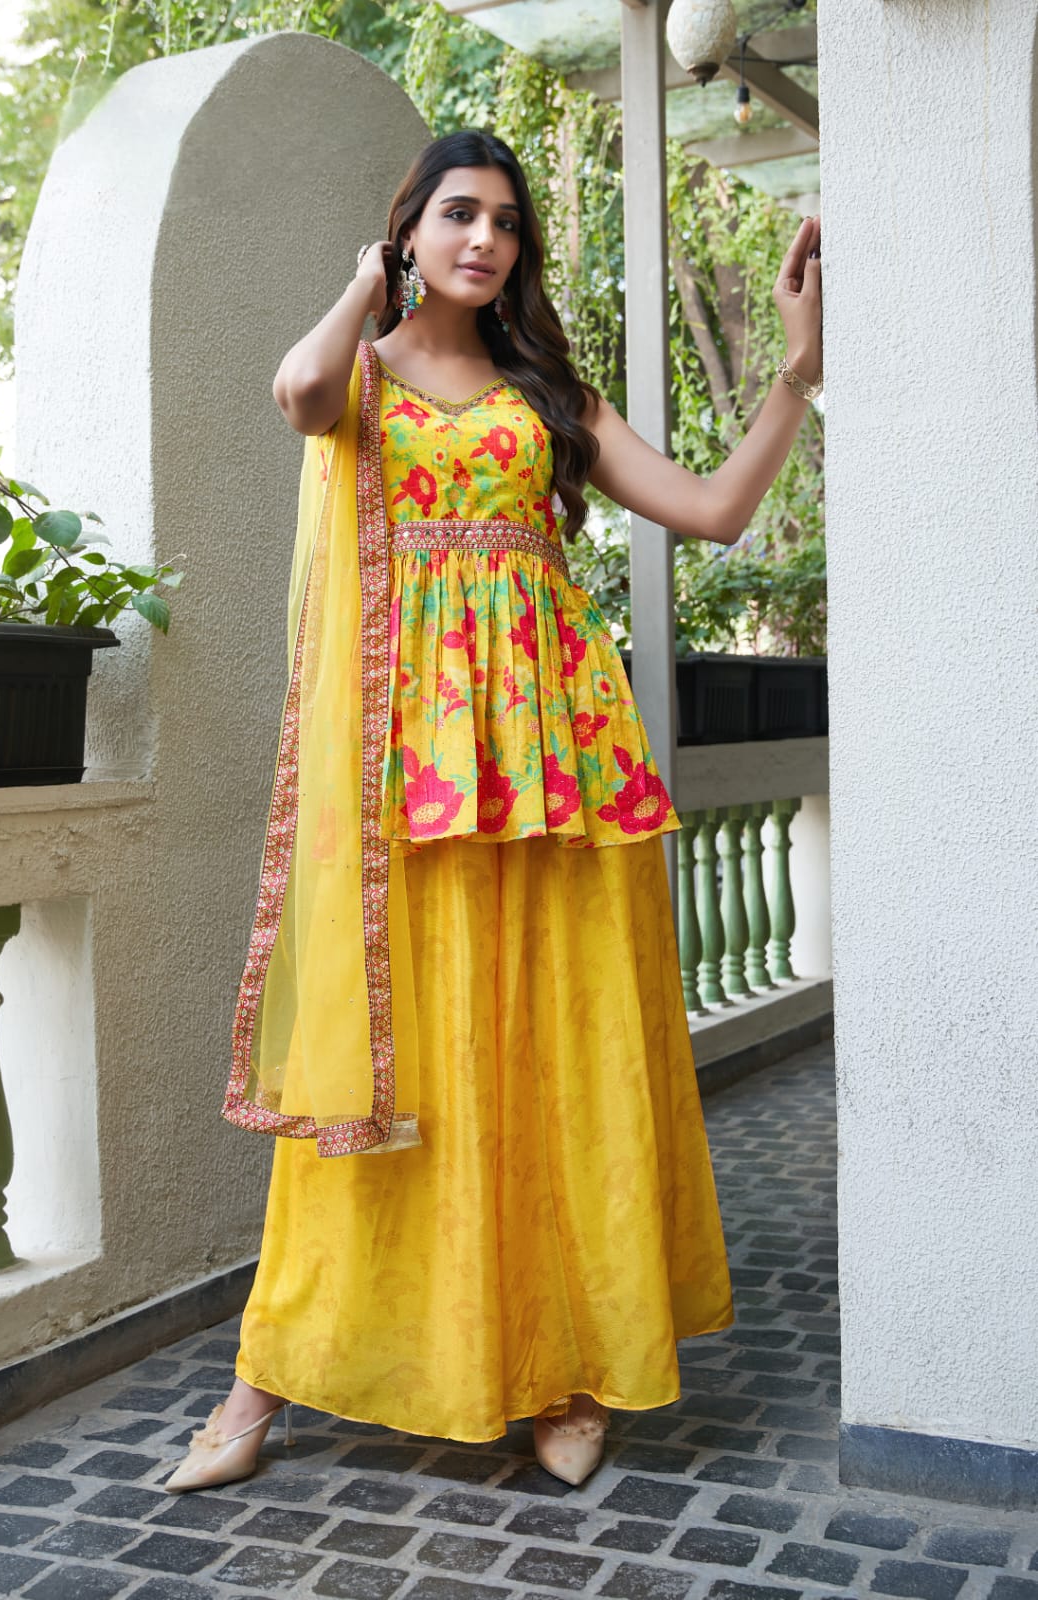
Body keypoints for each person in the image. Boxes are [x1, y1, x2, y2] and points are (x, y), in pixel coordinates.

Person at [162, 129, 823, 1494]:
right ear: (410, 229)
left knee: (551, 1058)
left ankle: (559, 1369)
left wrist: (797, 376)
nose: (485, 240)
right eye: (458, 215)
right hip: (407, 774)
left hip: (559, 770)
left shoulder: (544, 394)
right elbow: (294, 391)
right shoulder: (364, 376)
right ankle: (262, 1381)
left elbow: (707, 512)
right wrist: (364, 282)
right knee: (394, 1069)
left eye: (506, 223)